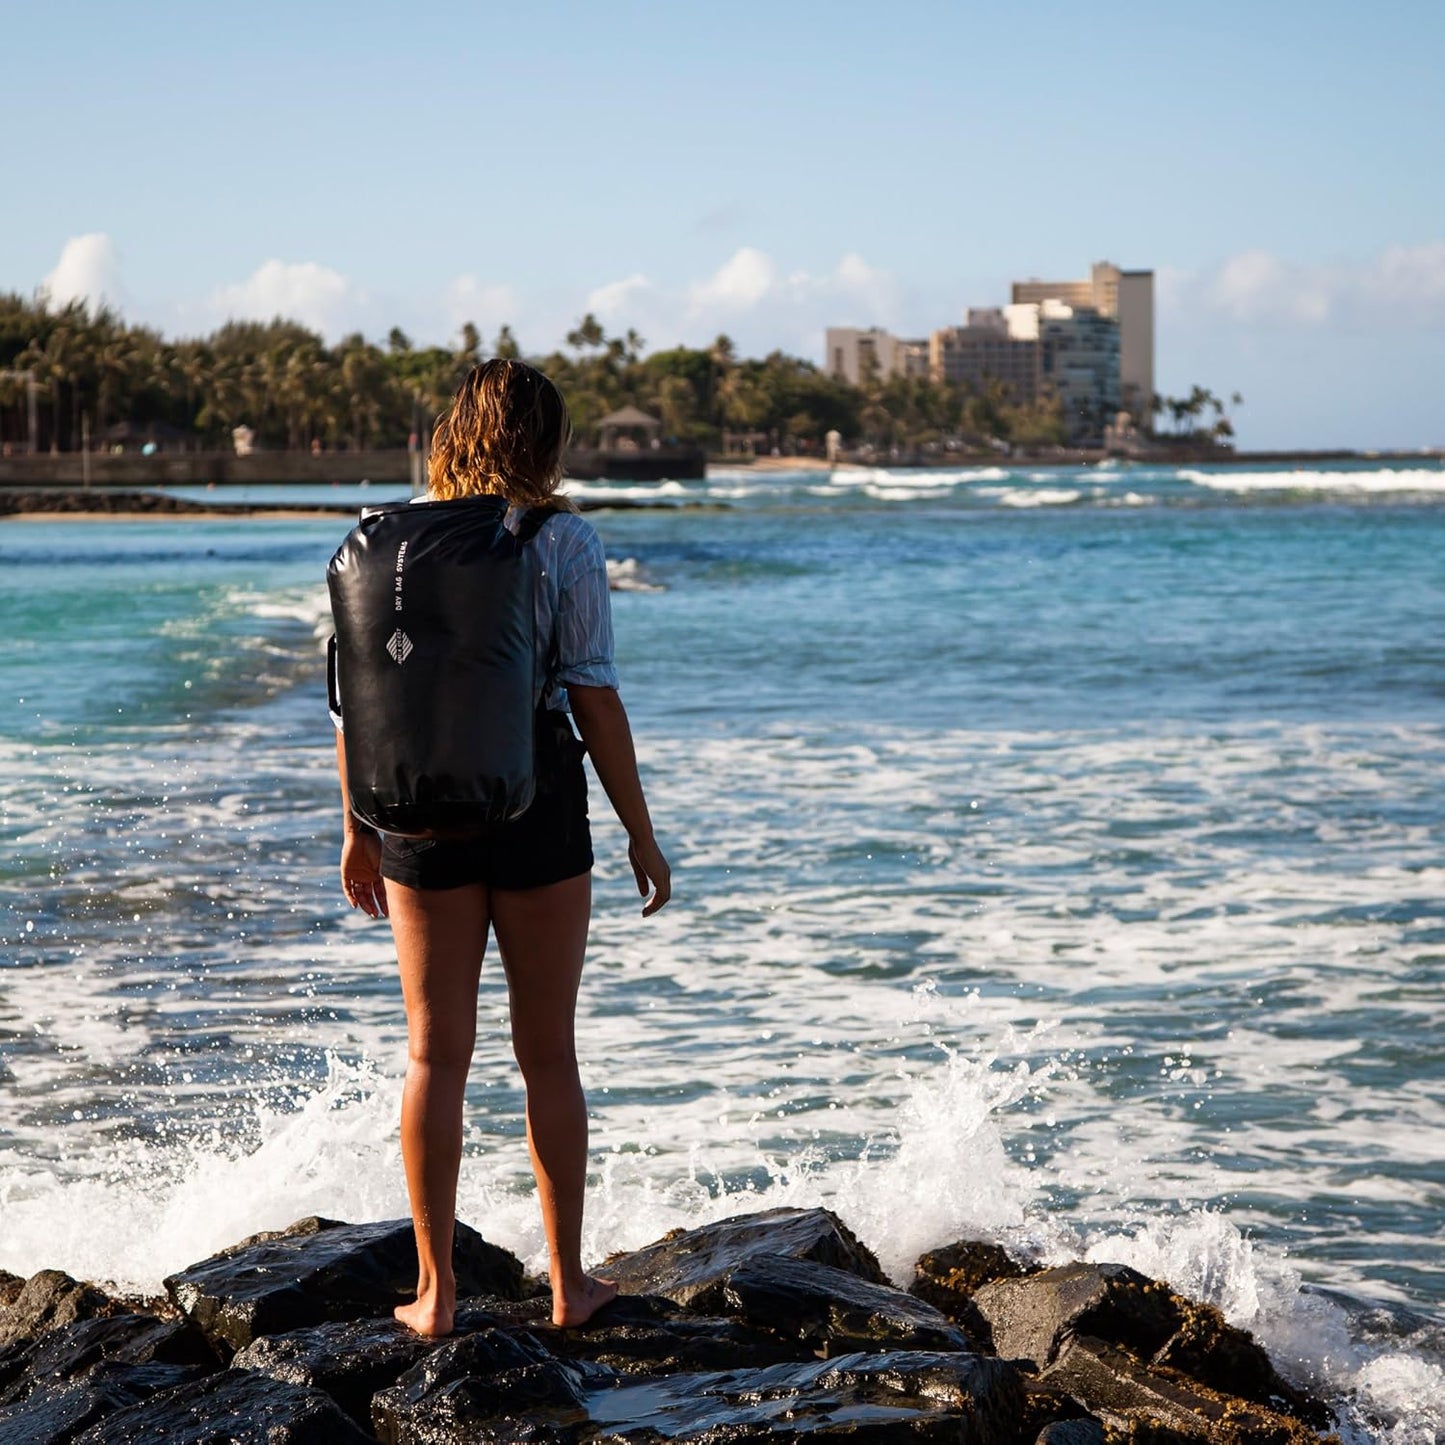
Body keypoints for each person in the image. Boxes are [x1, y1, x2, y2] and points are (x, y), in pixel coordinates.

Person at [333, 359, 671, 1336]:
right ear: (548, 442)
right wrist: (637, 831)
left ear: (450, 433)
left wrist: (356, 826)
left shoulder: (386, 539)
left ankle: (435, 1292)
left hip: (415, 812)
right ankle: (567, 1284)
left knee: (434, 1057)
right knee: (546, 1056)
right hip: (537, 802)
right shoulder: (559, 539)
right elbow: (592, 690)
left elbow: (356, 701)